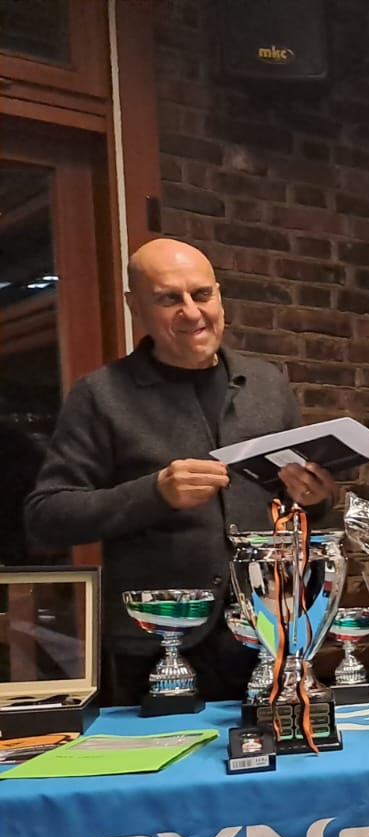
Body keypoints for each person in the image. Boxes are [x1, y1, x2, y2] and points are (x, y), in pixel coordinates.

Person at [24, 237, 337, 705]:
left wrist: (318, 499)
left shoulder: (268, 385)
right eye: (169, 299)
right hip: (154, 647)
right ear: (135, 307)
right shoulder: (100, 395)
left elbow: (301, 506)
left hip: (268, 633)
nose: (191, 312)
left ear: (219, 297)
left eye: (202, 294)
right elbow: (46, 516)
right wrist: (156, 493)